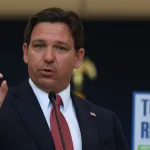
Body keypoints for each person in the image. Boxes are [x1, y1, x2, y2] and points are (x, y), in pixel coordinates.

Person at [0, 7, 129, 150]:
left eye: (60, 48)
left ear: (78, 57)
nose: (48, 57)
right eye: (39, 46)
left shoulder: (105, 122)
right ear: (25, 52)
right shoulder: (3, 108)